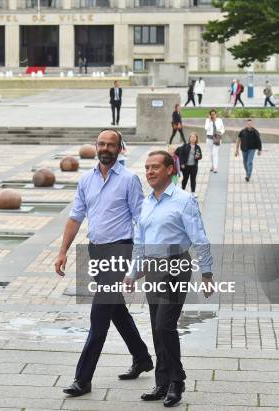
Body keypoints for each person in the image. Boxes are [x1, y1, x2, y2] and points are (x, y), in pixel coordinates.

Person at [55, 129, 153, 397]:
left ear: (120, 148)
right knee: (116, 310)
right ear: (95, 146)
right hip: (96, 251)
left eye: (111, 144)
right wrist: (62, 250)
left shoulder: (129, 180)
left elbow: (141, 221)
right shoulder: (86, 179)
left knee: (99, 315)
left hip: (120, 250)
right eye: (101, 143)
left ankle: (82, 379)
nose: (105, 148)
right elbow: (75, 217)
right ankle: (142, 357)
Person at [124, 150, 214, 408]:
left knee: (165, 325)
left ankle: (177, 380)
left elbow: (200, 239)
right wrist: (132, 273)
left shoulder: (185, 200)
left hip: (176, 265)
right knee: (155, 326)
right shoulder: (146, 203)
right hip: (152, 268)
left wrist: (206, 274)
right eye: (147, 167)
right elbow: (140, 243)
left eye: (155, 167)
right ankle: (162, 383)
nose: (150, 172)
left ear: (170, 170)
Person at [176, 132, 202, 197]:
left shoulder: (197, 147)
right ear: (189, 138)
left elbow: (200, 156)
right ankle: (182, 190)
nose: (193, 138)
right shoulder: (185, 146)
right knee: (185, 179)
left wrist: (198, 157)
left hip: (194, 166)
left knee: (193, 179)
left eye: (194, 137)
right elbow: (181, 155)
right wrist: (181, 163)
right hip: (186, 166)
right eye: (191, 137)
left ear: (196, 139)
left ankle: (193, 192)